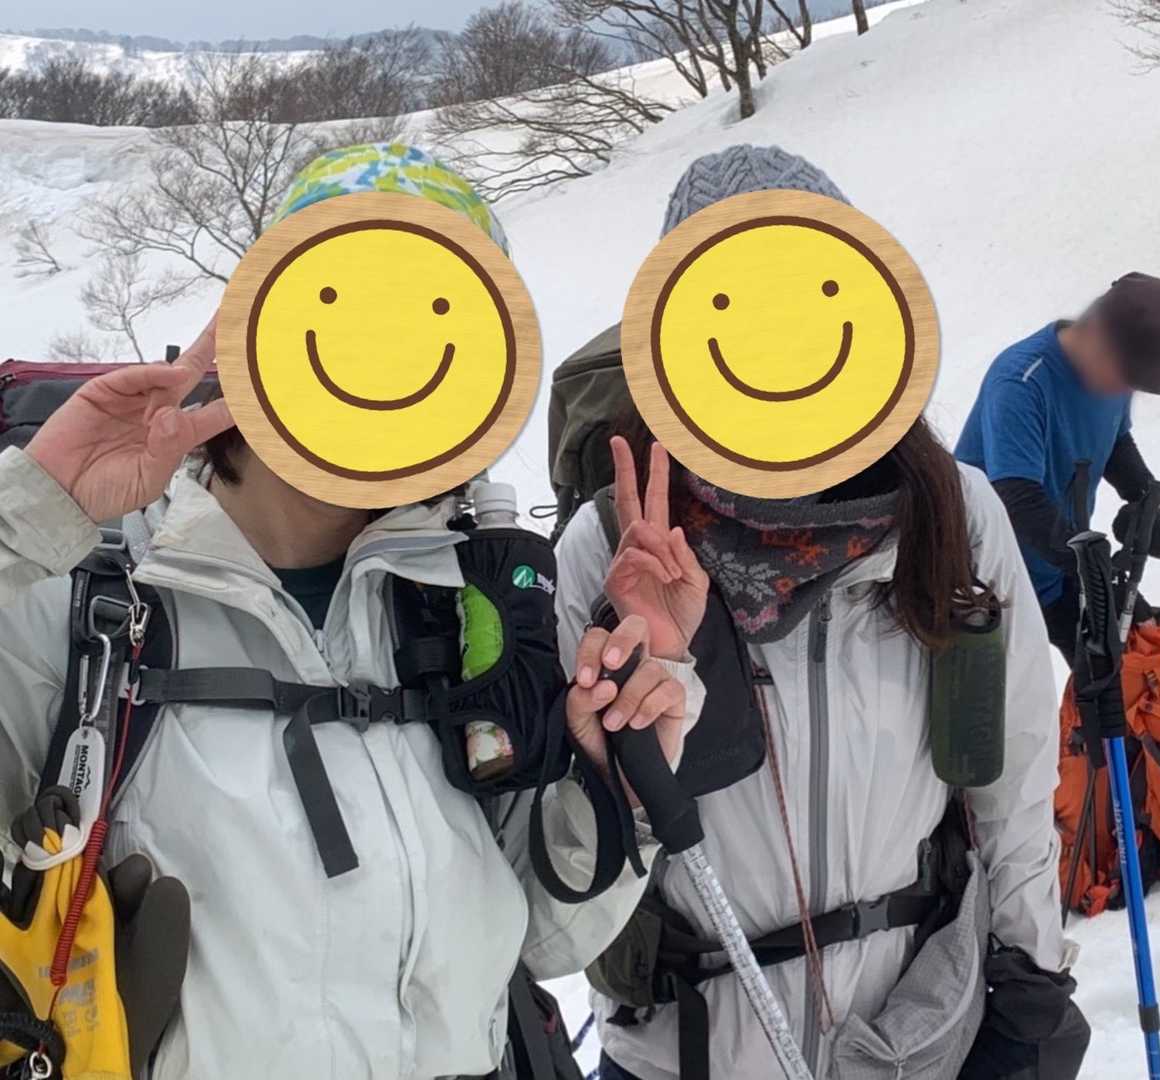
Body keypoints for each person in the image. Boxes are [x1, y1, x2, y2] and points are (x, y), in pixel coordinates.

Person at [0, 145, 699, 1078]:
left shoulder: (456, 607)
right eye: (354, 311)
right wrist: (27, 515)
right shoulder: (80, 606)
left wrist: (615, 785)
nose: (387, 364)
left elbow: (539, 939)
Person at [555, 145, 1086, 1080]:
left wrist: (1029, 975)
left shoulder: (950, 515)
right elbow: (572, 862)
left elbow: (1013, 775)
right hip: (687, 1051)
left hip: (915, 1036)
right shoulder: (613, 544)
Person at [954, 274, 1160, 664]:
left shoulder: (1112, 372)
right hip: (984, 584)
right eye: (1127, 376)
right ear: (1096, 335)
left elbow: (1115, 443)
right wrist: (1099, 574)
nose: (1126, 390)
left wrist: (1153, 507)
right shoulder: (1021, 382)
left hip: (1056, 568)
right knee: (1012, 700)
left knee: (1120, 680)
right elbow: (1017, 499)